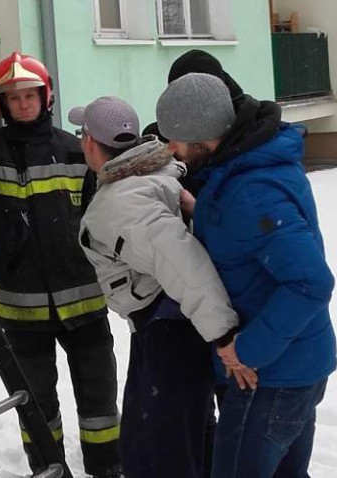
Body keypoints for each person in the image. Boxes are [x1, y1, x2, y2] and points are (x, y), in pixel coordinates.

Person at [0, 52, 121, 477]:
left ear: (45, 96)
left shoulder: (73, 149)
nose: (24, 104)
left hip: (85, 305)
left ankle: (107, 469)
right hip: (23, 312)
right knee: (36, 406)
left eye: (31, 95)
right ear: (2, 104)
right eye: (14, 98)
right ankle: (48, 469)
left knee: (100, 403)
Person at [156, 73, 337, 478]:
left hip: (266, 378)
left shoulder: (251, 192)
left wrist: (246, 350)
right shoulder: (244, 166)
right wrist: (198, 208)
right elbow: (249, 240)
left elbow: (312, 282)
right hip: (296, 364)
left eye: (176, 138)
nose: (171, 149)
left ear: (202, 134)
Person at [70, 96, 248, 477]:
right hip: (169, 327)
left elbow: (183, 264)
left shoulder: (122, 203)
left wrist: (223, 334)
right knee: (187, 439)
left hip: (169, 332)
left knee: (157, 452)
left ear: (88, 141)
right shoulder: (147, 177)